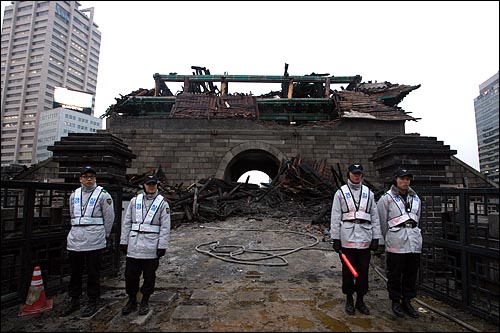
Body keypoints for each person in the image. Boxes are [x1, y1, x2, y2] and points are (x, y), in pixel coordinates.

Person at [61, 166, 115, 317]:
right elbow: (72, 213)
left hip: (94, 238)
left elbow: (109, 217)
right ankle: (74, 298)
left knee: (93, 271)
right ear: (80, 179)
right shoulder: (75, 195)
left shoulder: (103, 195)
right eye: (86, 176)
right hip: (76, 237)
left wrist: (104, 234)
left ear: (95, 178)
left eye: (91, 176)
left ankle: (93, 299)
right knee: (75, 271)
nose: (89, 179)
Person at [330, 163, 382, 315]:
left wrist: (376, 238)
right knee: (348, 272)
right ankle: (349, 299)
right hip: (347, 239)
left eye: (359, 173)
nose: (356, 176)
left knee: (363, 272)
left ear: (362, 175)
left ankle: (360, 299)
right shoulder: (340, 193)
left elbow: (375, 217)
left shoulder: (368, 193)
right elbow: (335, 216)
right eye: (354, 173)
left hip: (365, 238)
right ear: (349, 174)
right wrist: (335, 238)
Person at [120, 174, 171, 316]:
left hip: (151, 246)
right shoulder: (134, 201)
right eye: (149, 184)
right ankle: (131, 299)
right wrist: (123, 241)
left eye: (153, 184)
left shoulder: (162, 204)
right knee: (130, 276)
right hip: (134, 245)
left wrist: (162, 245)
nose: (151, 187)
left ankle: (145, 300)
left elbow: (165, 227)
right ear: (144, 185)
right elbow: (127, 223)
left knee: (149, 277)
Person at [377, 167, 422, 318]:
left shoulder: (415, 198)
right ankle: (395, 301)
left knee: (411, 273)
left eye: (407, 179)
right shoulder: (386, 198)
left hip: (413, 240)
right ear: (396, 180)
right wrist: (384, 240)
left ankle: (407, 301)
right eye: (402, 179)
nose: (405, 182)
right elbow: (382, 221)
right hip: (396, 240)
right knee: (395, 273)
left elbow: (417, 217)